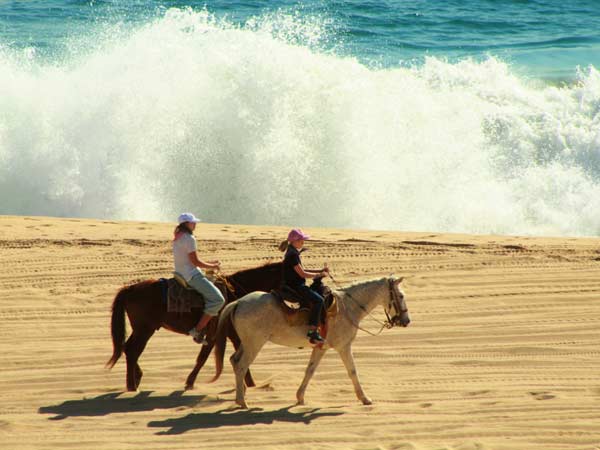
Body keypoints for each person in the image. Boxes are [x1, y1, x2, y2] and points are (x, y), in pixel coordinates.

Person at [172, 212, 225, 344]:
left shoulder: (178, 236)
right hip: (190, 275)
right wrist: (212, 266)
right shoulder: (189, 238)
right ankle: (197, 329)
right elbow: (195, 262)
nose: (195, 224)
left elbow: (190, 260)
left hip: (181, 272)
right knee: (218, 300)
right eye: (192, 222)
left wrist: (208, 265)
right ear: (186, 223)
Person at [279, 228, 329, 345]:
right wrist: (319, 275)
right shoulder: (293, 255)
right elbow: (303, 274)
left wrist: (319, 270)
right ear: (294, 241)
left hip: (293, 284)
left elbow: (301, 270)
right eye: (301, 240)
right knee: (319, 300)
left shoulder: (292, 252)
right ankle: (312, 332)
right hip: (296, 286)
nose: (303, 242)